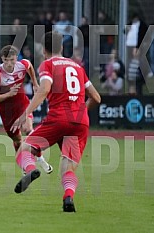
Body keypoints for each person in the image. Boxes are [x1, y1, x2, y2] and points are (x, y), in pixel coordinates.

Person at [11, 31, 101, 212]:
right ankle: (68, 197)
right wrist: (80, 110)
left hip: (58, 118)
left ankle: (30, 170)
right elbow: (96, 98)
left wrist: (26, 113)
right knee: (67, 168)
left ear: (44, 50)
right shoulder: (77, 67)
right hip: (80, 121)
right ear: (61, 47)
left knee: (24, 149)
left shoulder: (48, 64)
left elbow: (44, 89)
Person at [0, 45, 53, 174]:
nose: (9, 63)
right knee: (18, 140)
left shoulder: (22, 64)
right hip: (7, 113)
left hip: (23, 105)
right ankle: (25, 164)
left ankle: (40, 159)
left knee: (29, 130)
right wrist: (9, 94)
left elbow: (29, 66)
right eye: (6, 60)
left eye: (12, 60)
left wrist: (35, 83)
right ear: (2, 59)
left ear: (16, 58)